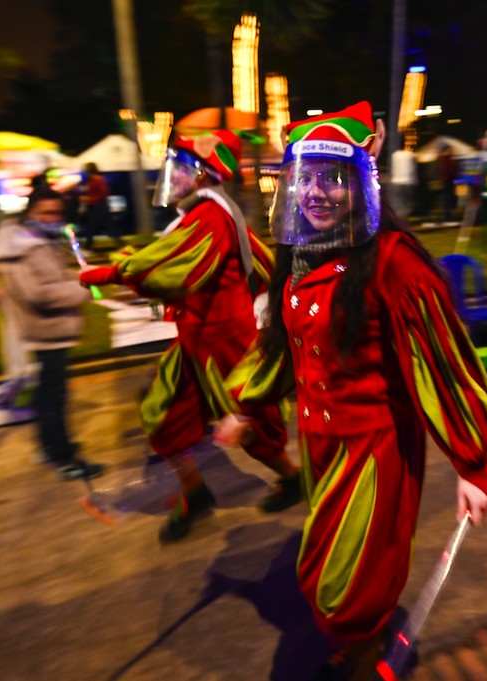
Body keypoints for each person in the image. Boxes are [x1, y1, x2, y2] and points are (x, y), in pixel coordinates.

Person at [216, 102, 487, 679]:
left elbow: (443, 363)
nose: (316, 193)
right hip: (318, 441)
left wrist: (473, 463)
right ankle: (359, 643)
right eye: (307, 178)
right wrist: (246, 405)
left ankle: (364, 659)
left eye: (334, 178)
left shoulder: (395, 264)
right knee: (325, 570)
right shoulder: (299, 254)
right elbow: (284, 346)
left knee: (346, 589)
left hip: (375, 449)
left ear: (361, 183)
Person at [78, 129, 300, 544]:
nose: (173, 176)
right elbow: (173, 256)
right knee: (164, 415)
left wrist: (111, 273)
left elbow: (173, 268)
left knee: (251, 428)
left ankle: (292, 479)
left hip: (226, 344)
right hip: (194, 341)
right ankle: (195, 494)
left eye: (180, 168)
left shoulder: (212, 216)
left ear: (203, 174)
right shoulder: (204, 214)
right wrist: (132, 262)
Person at [0, 186, 105, 480]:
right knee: (54, 396)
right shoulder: (20, 248)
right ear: (29, 212)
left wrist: (84, 276)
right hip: (45, 330)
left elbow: (54, 277)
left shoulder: (35, 241)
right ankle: (63, 458)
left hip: (50, 330)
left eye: (56, 213)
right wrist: (84, 289)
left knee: (49, 393)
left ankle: (51, 445)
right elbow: (39, 294)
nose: (51, 219)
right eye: (45, 213)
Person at [79, 162, 112, 249]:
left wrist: (89, 199)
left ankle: (88, 245)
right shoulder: (91, 180)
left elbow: (103, 194)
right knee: (104, 225)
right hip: (94, 206)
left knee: (93, 226)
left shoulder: (98, 180)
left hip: (99, 206)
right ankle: (119, 241)